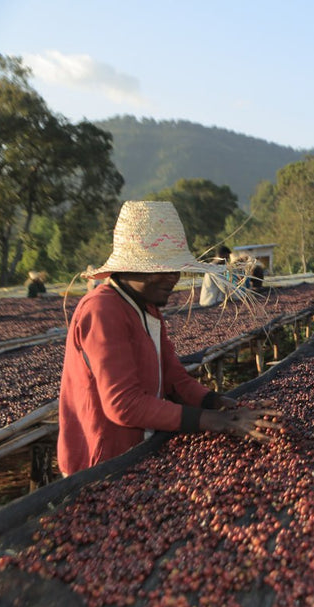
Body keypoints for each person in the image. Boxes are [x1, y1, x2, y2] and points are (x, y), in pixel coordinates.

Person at [59, 201, 282, 477]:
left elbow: (174, 380)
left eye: (175, 269)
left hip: (137, 454)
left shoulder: (147, 308)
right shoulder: (102, 309)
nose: (172, 278)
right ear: (130, 268)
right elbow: (123, 404)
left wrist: (219, 403)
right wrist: (215, 421)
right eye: (162, 268)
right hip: (99, 464)